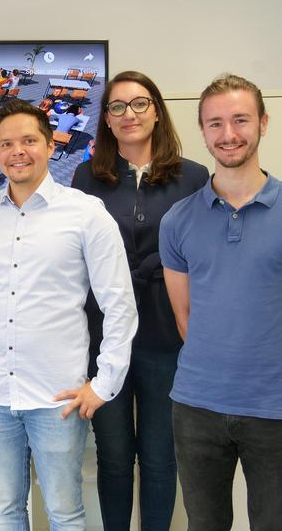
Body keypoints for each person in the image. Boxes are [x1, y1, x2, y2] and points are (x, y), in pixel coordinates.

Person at [0, 99, 138, 531]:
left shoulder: (86, 214)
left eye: (29, 140)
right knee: (6, 507)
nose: (18, 151)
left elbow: (119, 302)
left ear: (48, 145)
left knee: (65, 513)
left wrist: (105, 383)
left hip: (57, 398)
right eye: (6, 143)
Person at [159, 74, 282, 530]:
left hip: (278, 410)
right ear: (202, 130)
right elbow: (185, 316)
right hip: (196, 407)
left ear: (263, 122)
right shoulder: (178, 221)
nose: (229, 134)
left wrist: (279, 371)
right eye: (215, 123)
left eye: (240, 120)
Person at [71, 71, 209, 531]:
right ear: (106, 120)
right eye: (117, 106)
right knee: (112, 455)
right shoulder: (86, 178)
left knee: (159, 455)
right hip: (103, 337)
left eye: (139, 104)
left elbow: (204, 256)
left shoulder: (193, 177)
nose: (129, 114)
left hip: (167, 335)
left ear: (156, 112)